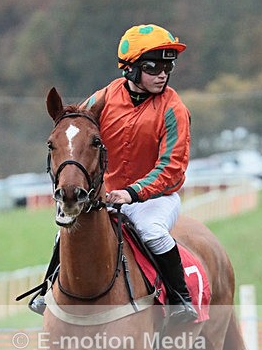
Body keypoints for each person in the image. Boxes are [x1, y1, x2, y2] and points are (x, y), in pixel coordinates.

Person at [29, 22, 198, 324]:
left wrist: (132, 193)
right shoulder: (104, 98)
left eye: (167, 66)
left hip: (155, 199)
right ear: (131, 69)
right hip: (106, 194)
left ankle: (179, 299)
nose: (162, 73)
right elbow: (77, 128)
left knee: (152, 232)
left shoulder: (174, 109)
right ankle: (47, 289)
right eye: (153, 66)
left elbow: (172, 169)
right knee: (66, 228)